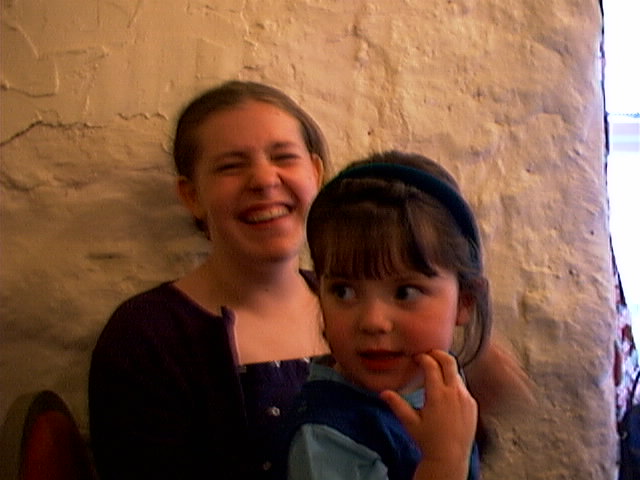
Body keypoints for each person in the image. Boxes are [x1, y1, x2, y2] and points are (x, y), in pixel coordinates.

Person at [89, 81, 530, 480]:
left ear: (316, 174)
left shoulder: (384, 314)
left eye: (284, 157)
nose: (264, 180)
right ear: (191, 195)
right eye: (230, 166)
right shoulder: (147, 335)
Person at [282, 151, 490, 480]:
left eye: (405, 292)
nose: (373, 321)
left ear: (463, 302)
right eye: (344, 291)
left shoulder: (439, 379)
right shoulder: (328, 437)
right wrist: (443, 463)